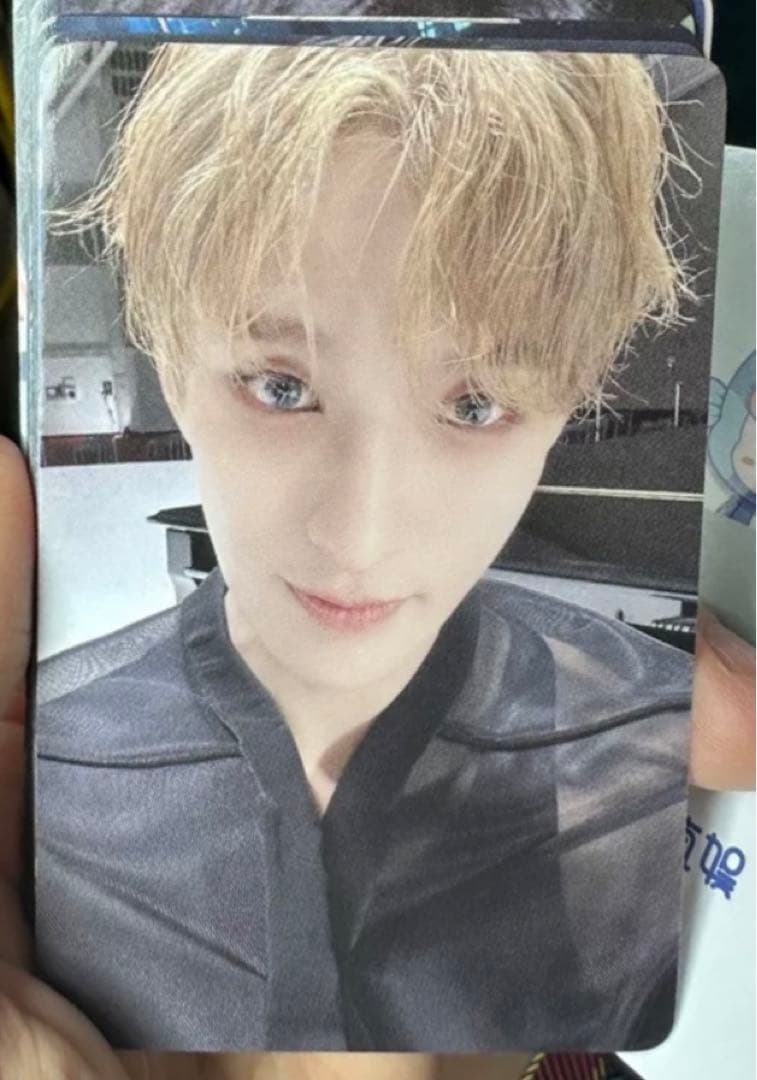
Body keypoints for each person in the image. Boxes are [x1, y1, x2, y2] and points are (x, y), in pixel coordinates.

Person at [24, 43, 748, 1053]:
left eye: (474, 404)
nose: (356, 537)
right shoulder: (50, 779)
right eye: (281, 387)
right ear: (169, 356)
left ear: (568, 406)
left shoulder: (640, 766)